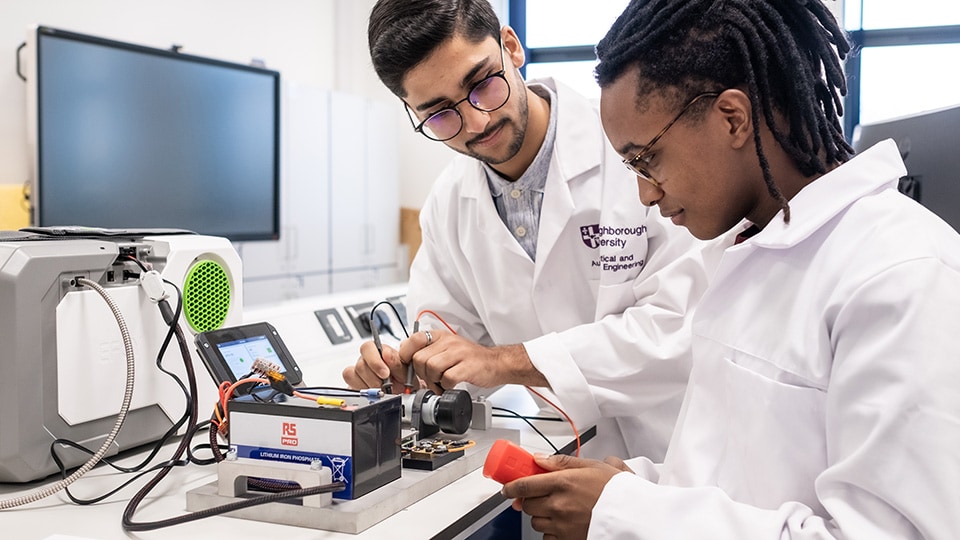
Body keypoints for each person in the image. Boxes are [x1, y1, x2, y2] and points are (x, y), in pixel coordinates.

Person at [500, 0, 960, 538]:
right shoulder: (743, 253)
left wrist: (631, 514)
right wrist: (635, 486)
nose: (644, 193)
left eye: (647, 158)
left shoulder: (900, 272)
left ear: (732, 118)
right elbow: (736, 481)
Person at [343, 0, 718, 461]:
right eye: (439, 113)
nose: (477, 122)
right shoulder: (448, 205)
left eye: (482, 83)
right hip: (562, 462)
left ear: (510, 46)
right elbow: (449, 341)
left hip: (681, 459)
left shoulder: (636, 151)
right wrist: (411, 369)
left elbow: (681, 329)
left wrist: (503, 360)